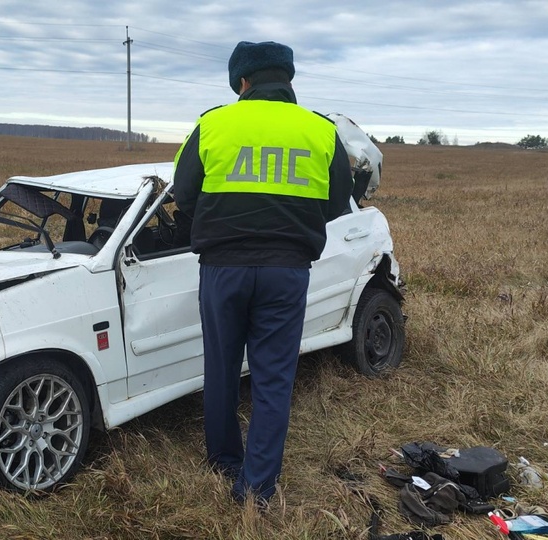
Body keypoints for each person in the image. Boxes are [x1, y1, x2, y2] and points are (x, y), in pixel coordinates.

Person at [172, 40, 354, 507]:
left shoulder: (212, 124)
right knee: (274, 379)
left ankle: (223, 460)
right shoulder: (321, 130)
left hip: (222, 269)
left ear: (243, 82)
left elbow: (184, 194)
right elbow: (337, 203)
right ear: (288, 80)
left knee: (221, 368)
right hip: (287, 272)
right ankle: (257, 488)